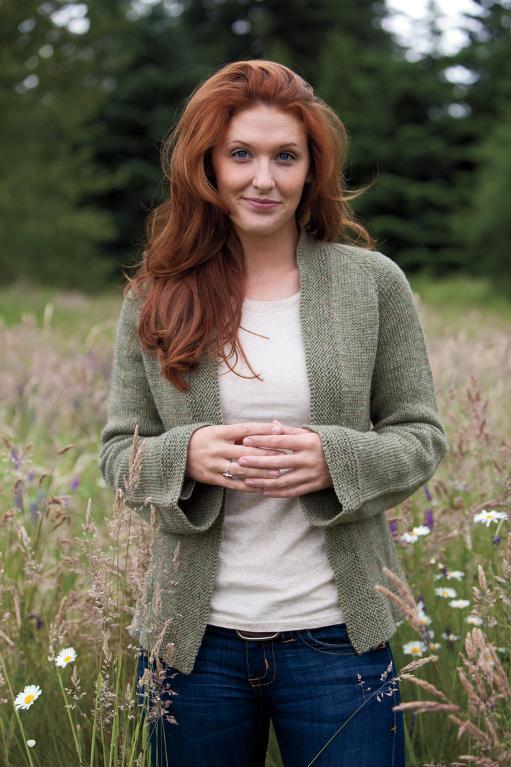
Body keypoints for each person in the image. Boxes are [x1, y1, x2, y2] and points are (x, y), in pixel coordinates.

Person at [99, 59, 449, 767]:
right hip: (191, 648)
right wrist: (185, 454)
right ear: (207, 165)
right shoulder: (157, 295)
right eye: (241, 155)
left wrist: (337, 456)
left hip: (336, 636)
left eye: (285, 156)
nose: (264, 178)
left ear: (310, 167)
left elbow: (420, 436)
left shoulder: (371, 285)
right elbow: (117, 453)